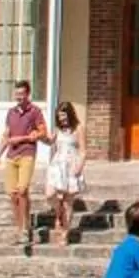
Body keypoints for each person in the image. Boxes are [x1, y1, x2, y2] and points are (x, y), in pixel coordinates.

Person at [0, 81, 48, 254]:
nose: (19, 97)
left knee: (22, 190)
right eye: (16, 94)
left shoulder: (35, 112)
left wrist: (26, 137)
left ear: (28, 94)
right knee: (12, 194)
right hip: (11, 156)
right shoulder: (11, 113)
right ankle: (18, 228)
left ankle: (26, 228)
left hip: (27, 153)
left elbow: (43, 132)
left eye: (22, 94)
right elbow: (6, 135)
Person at [43, 101, 86, 246]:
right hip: (57, 164)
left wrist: (79, 166)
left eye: (64, 116)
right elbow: (50, 141)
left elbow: (83, 150)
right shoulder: (58, 129)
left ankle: (64, 233)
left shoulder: (78, 128)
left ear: (70, 114)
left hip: (71, 164)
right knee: (50, 194)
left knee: (68, 202)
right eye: (60, 116)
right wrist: (41, 136)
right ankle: (58, 210)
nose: (63, 119)